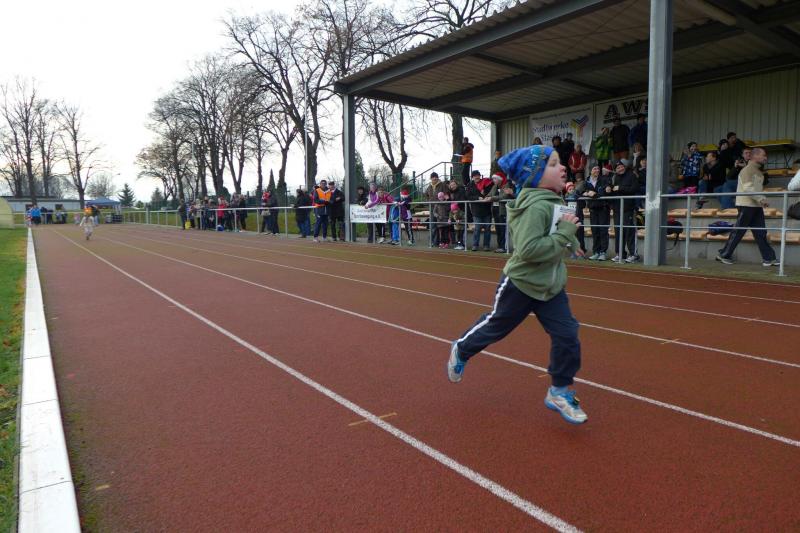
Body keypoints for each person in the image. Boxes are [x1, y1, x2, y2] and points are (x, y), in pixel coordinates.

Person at [447, 144, 587, 424]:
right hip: (521, 284)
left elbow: (556, 231)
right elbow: (529, 250)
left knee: (567, 334)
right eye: (553, 164)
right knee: (496, 326)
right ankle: (462, 348)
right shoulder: (534, 207)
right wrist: (565, 234)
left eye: (560, 162)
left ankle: (559, 390)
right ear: (534, 176)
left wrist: (571, 242)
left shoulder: (554, 201)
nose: (563, 167)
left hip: (550, 287)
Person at [716, 147, 778, 266]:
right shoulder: (747, 170)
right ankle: (723, 254)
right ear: (755, 156)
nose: (765, 158)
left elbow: (755, 189)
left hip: (755, 206)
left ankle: (769, 258)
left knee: (760, 233)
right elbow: (748, 188)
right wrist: (761, 199)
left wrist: (760, 199)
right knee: (739, 231)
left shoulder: (757, 170)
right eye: (763, 155)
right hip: (746, 205)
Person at [608, 161, 639, 263]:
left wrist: (620, 188)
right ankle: (620, 253)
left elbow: (635, 188)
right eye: (618, 168)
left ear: (624, 167)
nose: (620, 169)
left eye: (621, 167)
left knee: (629, 231)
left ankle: (633, 254)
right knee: (618, 232)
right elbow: (612, 191)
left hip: (628, 209)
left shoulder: (631, 176)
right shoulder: (614, 178)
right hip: (617, 209)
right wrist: (609, 189)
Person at [582, 165, 611, 260]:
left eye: (598, 169)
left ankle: (603, 252)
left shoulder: (604, 179)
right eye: (594, 169)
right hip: (593, 209)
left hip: (603, 208)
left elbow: (606, 191)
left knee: (603, 231)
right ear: (590, 171)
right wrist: (586, 193)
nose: (597, 170)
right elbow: (579, 191)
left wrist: (594, 194)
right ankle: (596, 252)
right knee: (595, 231)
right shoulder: (586, 181)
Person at [466, 170, 493, 251]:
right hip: (476, 211)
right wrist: (477, 198)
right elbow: (468, 196)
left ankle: (486, 245)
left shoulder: (486, 183)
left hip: (487, 210)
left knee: (487, 229)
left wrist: (484, 194)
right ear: (472, 177)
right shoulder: (469, 185)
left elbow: (490, 193)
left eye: (478, 175)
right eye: (475, 176)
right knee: (477, 229)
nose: (477, 177)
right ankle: (475, 245)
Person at [487, 173, 513, 253]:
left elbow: (504, 197)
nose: (493, 180)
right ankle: (499, 246)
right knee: (498, 229)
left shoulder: (506, 185)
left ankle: (503, 247)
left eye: (495, 179)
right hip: (495, 210)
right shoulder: (494, 186)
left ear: (500, 179)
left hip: (502, 210)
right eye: (493, 179)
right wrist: (486, 197)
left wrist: (492, 198)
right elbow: (489, 194)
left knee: (503, 229)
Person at [424, 173, 446, 246]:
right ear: (431, 178)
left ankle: (440, 242)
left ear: (438, 177)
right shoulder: (429, 186)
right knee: (432, 225)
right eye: (433, 177)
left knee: (441, 226)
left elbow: (446, 194)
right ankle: (433, 241)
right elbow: (425, 195)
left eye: (436, 177)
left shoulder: (442, 185)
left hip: (440, 208)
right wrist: (428, 201)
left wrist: (442, 202)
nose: (434, 178)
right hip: (432, 208)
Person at [447, 179, 467, 250]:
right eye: (451, 185)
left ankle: (462, 244)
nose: (452, 186)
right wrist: (448, 199)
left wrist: (457, 203)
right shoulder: (450, 193)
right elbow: (451, 203)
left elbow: (463, 199)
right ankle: (459, 244)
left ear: (456, 184)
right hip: (454, 213)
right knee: (457, 232)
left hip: (461, 212)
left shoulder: (461, 190)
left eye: (454, 184)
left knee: (462, 231)